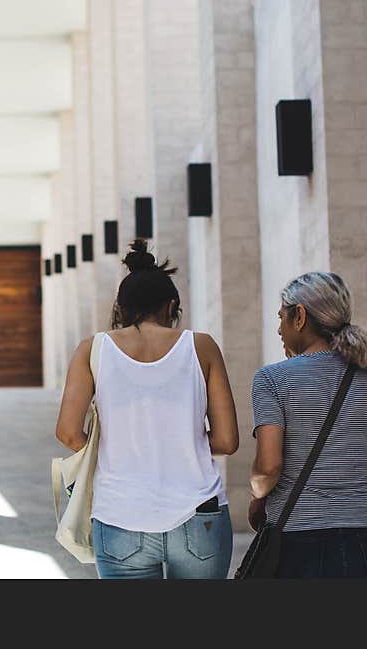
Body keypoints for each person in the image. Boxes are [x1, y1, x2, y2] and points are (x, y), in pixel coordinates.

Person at [55, 239, 239, 579]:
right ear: (171, 306)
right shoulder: (202, 347)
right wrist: (180, 443)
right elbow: (227, 441)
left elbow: (67, 432)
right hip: (199, 514)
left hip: (120, 515)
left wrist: (117, 449)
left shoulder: (91, 350)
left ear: (121, 308)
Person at [249, 271, 367, 578]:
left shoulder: (273, 379)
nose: (278, 329)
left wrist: (257, 496)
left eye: (281, 317)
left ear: (299, 316)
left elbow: (268, 467)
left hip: (299, 537)